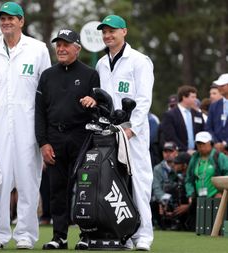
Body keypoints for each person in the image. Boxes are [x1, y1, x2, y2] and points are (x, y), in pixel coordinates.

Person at [0, 2, 51, 249]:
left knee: (28, 182)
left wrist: (44, 133)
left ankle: (26, 235)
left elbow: (45, 93)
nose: (6, 22)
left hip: (28, 128)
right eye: (3, 18)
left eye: (11, 18)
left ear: (21, 21)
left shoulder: (37, 50)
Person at [35, 28, 99, 250]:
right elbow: (40, 112)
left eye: (66, 45)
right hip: (55, 137)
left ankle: (85, 235)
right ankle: (59, 236)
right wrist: (43, 142)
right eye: (58, 45)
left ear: (77, 48)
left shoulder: (90, 74)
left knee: (84, 188)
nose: (61, 49)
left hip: (81, 136)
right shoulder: (47, 75)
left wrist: (95, 101)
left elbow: (98, 110)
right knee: (57, 189)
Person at [95, 14, 154, 251]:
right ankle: (123, 233)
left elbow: (144, 99)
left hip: (132, 134)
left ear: (124, 32)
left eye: (113, 31)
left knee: (139, 181)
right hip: (108, 133)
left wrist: (132, 130)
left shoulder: (140, 61)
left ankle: (144, 236)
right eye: (105, 32)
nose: (108, 35)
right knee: (114, 184)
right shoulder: (100, 63)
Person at [160, 85, 204, 153]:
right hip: (179, 154)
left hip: (197, 153)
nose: (195, 99)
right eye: (193, 97)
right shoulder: (170, 115)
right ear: (184, 97)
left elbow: (203, 131)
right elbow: (170, 136)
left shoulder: (198, 114)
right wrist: (185, 150)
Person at [185, 131, 228, 200]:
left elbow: (227, 175)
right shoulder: (194, 158)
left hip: (217, 198)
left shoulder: (219, 157)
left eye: (203, 144)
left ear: (210, 143)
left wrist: (222, 192)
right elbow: (189, 179)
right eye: (198, 144)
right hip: (199, 199)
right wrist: (190, 194)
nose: (201, 147)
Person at [205, 74, 228, 153]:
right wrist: (216, 142)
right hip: (217, 151)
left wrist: (225, 144)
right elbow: (208, 127)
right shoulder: (214, 106)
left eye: (222, 85)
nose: (219, 87)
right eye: (219, 85)